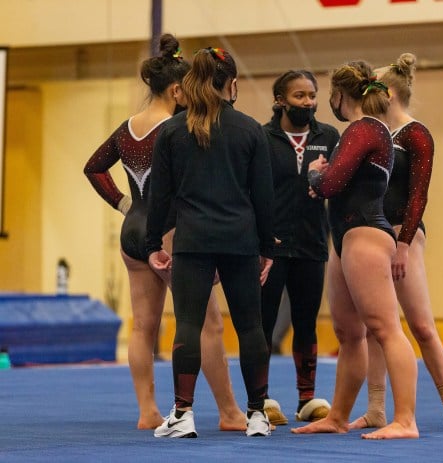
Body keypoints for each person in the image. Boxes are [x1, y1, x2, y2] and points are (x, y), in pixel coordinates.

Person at [83, 34, 246, 432]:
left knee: (143, 326)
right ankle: (229, 413)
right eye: (188, 88)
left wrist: (124, 204)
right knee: (207, 324)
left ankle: (147, 411)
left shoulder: (127, 129)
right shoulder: (179, 128)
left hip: (133, 229)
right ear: (177, 89)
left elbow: (93, 167)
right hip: (171, 233)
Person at [146, 46, 274, 438]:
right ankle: (257, 415)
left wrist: (153, 242)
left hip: (193, 239)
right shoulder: (251, 129)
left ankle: (182, 414)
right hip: (241, 238)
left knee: (187, 323)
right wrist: (267, 247)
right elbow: (263, 196)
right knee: (251, 326)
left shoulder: (170, 131)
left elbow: (160, 196)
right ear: (231, 84)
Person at [292, 60, 419, 440]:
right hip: (345, 238)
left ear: (339, 95)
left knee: (385, 329)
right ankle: (338, 415)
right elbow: (336, 181)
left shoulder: (366, 129)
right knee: (348, 332)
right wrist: (324, 178)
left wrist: (316, 173)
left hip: (365, 234)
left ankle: (406, 420)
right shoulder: (357, 132)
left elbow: (329, 184)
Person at [349, 53, 443, 432]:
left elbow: (419, 195)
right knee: (375, 325)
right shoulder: (374, 133)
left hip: (404, 234)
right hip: (376, 235)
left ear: (387, 93)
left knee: (420, 325)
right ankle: (375, 408)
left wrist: (404, 243)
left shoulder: (416, 135)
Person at [260, 70, 339, 425]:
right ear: (280, 100)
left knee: (306, 323)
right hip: (270, 248)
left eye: (312, 95)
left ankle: (306, 398)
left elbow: (339, 189)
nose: (307, 102)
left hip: (311, 244)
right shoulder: (262, 138)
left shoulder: (329, 136)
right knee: (261, 324)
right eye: (299, 96)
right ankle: (258, 397)